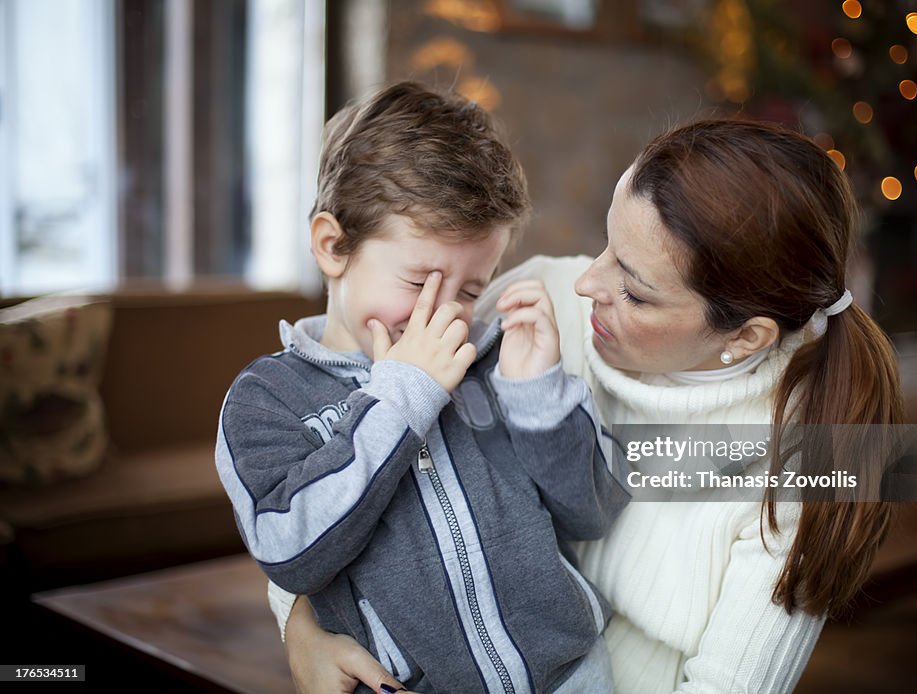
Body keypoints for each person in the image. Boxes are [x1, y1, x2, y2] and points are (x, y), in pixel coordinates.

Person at [273, 118, 904, 693]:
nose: (585, 284)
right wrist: (300, 623)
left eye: (632, 290)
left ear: (746, 336)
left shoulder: (807, 464)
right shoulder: (538, 305)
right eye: (606, 246)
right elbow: (331, 453)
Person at [215, 82, 630, 694]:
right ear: (333, 246)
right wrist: (401, 396)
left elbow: (593, 512)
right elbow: (291, 552)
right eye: (418, 281)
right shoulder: (266, 400)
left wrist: (538, 392)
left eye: (469, 290)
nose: (443, 314)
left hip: (574, 678)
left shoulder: (489, 363)